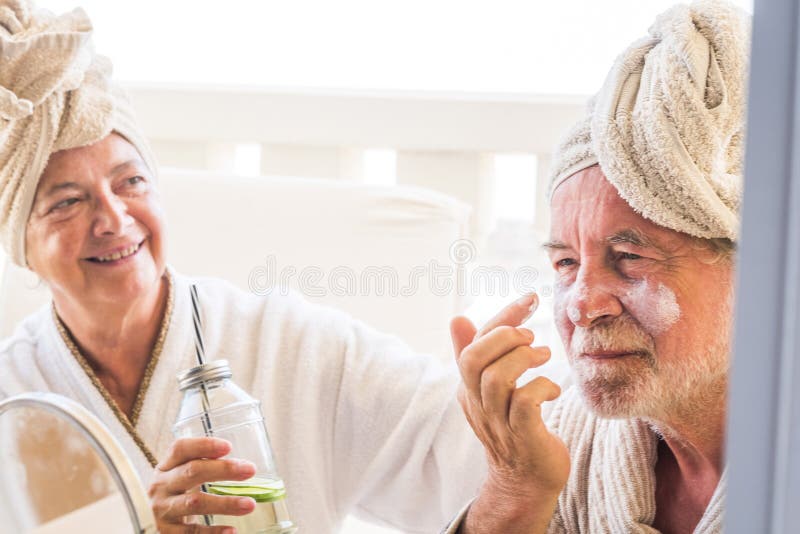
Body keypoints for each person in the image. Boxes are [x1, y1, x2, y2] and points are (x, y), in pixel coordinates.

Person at [0, 1, 486, 532]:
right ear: (19, 241)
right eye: (67, 201)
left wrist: (515, 417)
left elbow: (458, 444)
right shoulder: (13, 395)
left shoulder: (289, 344)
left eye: (131, 182)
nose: (113, 219)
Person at [443, 1, 747, 532]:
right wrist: (516, 491)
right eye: (565, 262)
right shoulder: (564, 441)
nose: (581, 305)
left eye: (629, 258)